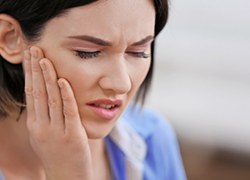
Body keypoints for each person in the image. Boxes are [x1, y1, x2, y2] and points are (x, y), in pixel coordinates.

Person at [0, 0, 186, 179]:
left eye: (139, 52)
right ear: (9, 38)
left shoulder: (152, 139)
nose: (122, 83)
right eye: (88, 52)